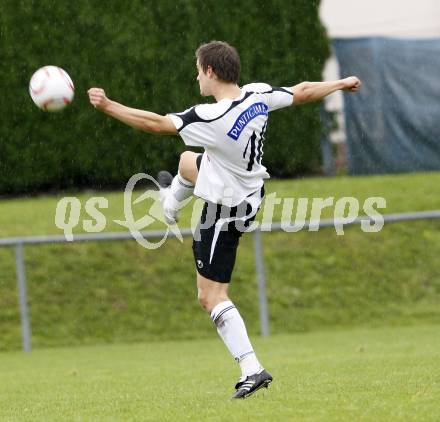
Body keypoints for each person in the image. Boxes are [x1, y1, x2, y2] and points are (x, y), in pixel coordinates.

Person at [88, 40, 362, 399]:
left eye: (199, 69)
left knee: (210, 295)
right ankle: (170, 204)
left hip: (224, 210)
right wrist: (340, 83)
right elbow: (303, 91)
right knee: (189, 160)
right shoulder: (257, 95)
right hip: (248, 193)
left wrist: (108, 106)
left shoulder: (210, 117)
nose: (196, 75)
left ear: (211, 72)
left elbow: (154, 124)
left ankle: (251, 367)